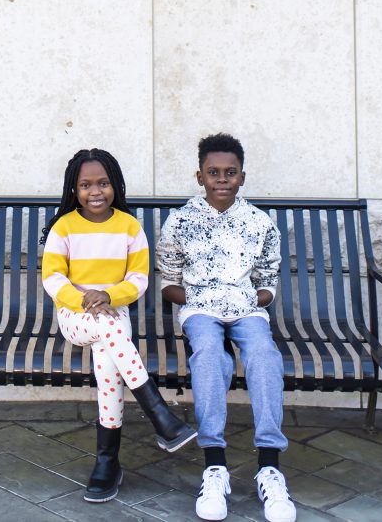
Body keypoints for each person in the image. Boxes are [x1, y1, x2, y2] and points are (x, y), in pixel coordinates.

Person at [41, 148, 196, 503]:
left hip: (113, 311)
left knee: (109, 362)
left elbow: (139, 280)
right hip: (74, 314)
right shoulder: (63, 228)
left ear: (115, 185)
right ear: (74, 190)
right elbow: (52, 279)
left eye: (103, 183)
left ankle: (107, 462)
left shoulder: (129, 227)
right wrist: (84, 299)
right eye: (85, 185)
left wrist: (108, 296)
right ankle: (159, 414)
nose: (95, 191)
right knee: (110, 334)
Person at [156, 133, 296, 522]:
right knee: (208, 357)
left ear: (242, 177)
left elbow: (268, 275)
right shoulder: (181, 221)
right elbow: (168, 281)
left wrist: (257, 299)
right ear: (199, 177)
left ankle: (270, 465)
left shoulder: (257, 223)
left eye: (230, 172)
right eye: (213, 172)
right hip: (200, 310)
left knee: (265, 355)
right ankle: (214, 465)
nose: (222, 179)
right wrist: (202, 301)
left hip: (246, 310)